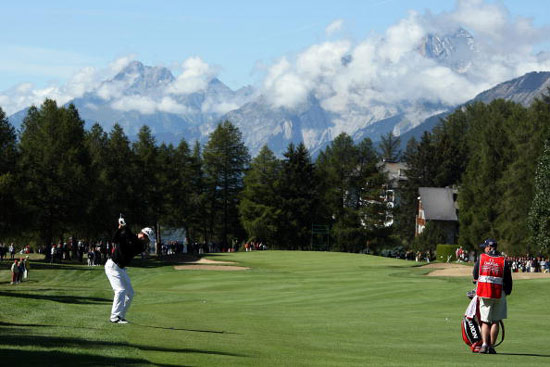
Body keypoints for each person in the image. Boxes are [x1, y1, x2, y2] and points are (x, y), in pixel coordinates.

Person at [105, 218, 154, 324]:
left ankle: (120, 316)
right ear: (143, 234)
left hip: (121, 269)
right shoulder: (128, 236)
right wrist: (120, 228)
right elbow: (115, 239)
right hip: (113, 266)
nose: (147, 241)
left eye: (148, 239)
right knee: (120, 291)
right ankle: (114, 317)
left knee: (130, 293)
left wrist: (125, 227)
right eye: (147, 238)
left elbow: (132, 239)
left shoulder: (140, 246)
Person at [473, 239, 512, 354]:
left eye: (485, 247)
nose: (484, 249)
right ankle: (492, 346)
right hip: (500, 293)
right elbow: (508, 280)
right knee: (495, 321)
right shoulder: (503, 260)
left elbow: (475, 275)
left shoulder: (481, 258)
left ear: (489, 248)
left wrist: (476, 286)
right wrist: (507, 292)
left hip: (485, 293)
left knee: (485, 321)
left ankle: (485, 345)